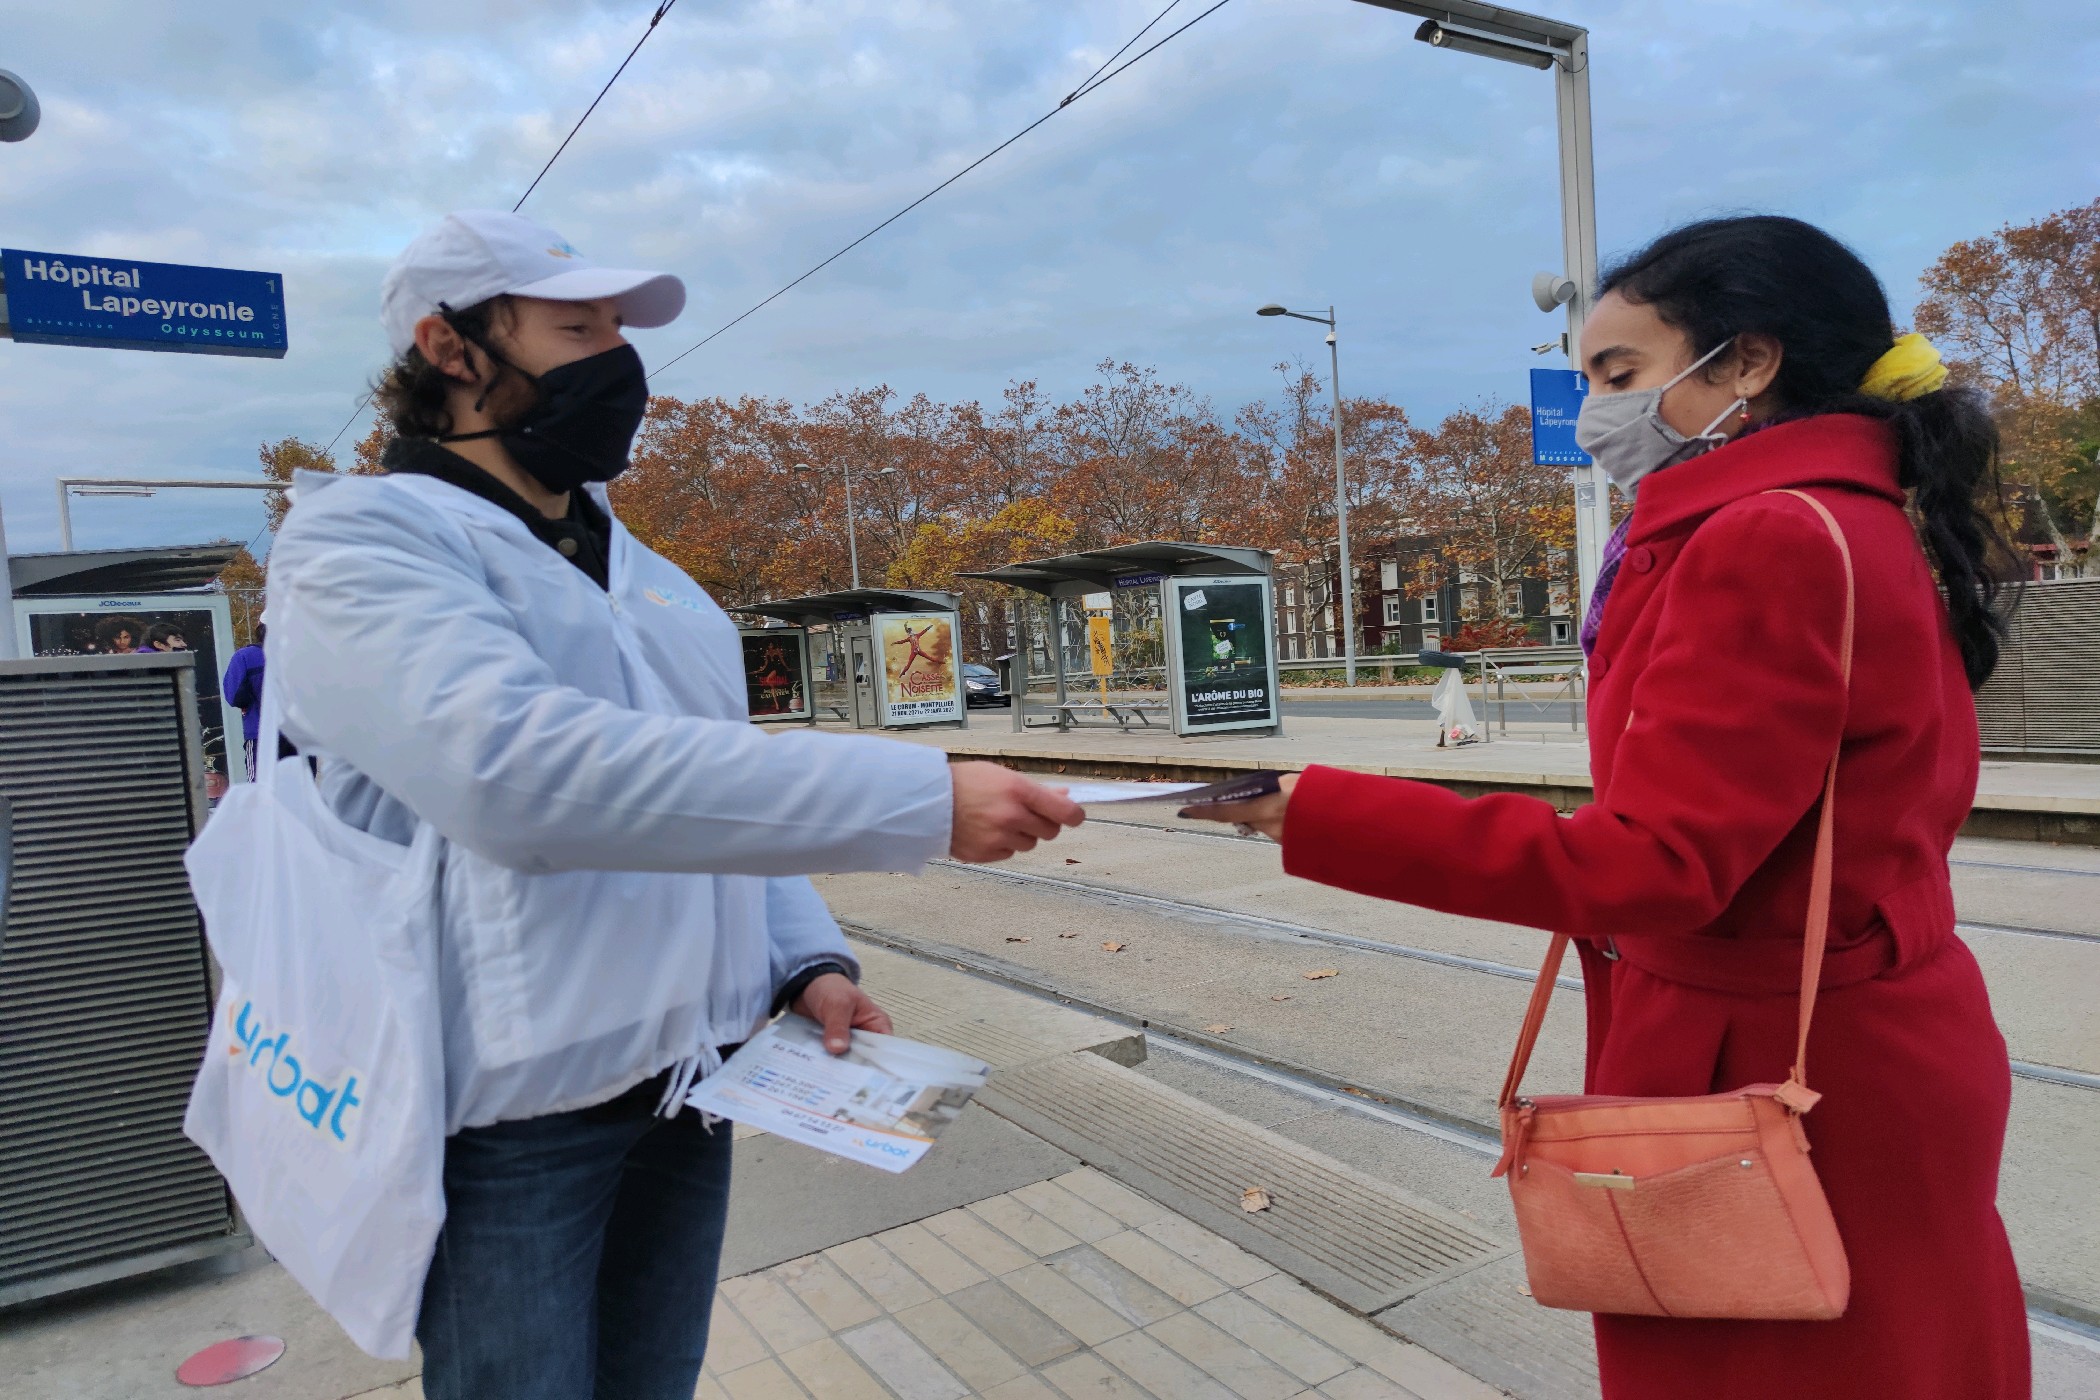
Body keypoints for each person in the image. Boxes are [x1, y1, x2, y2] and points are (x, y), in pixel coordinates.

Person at [1188, 216, 2028, 1399]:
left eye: (1620, 374)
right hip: (1874, 1030)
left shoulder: (1765, 537)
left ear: (1747, 363)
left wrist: (1315, 812)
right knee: (1906, 1344)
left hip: (1774, 1057)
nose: (1593, 409)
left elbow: (1657, 861)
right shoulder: (1862, 512)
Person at [263, 209, 1083, 1400]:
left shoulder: (642, 569)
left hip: (694, 1078)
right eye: (577, 325)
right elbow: (522, 779)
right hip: (517, 1108)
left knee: (657, 1381)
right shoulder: (364, 542)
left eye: (617, 325)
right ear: (451, 349)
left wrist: (802, 956)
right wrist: (920, 796)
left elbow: (711, 780)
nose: (617, 358)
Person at [222, 624, 267, 780]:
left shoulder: (245, 657)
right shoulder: (300, 656)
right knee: (300, 790)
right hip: (299, 735)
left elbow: (234, 696)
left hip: (260, 732)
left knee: (260, 787)